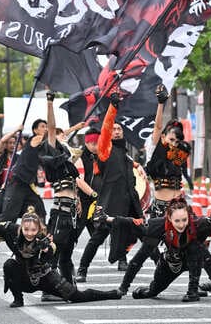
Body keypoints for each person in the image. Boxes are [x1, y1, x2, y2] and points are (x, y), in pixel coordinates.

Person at [119, 85, 211, 295]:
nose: (174, 142)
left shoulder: (178, 156)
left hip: (180, 207)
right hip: (161, 209)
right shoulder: (156, 151)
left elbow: (181, 155)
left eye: (177, 140)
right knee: (149, 248)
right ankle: (126, 285)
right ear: (164, 137)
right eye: (171, 138)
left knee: (198, 244)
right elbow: (156, 129)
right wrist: (161, 104)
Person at [96, 197, 211, 302]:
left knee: (197, 249)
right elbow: (133, 229)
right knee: (152, 292)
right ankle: (146, 290)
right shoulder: (158, 226)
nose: (181, 224)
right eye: (177, 221)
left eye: (184, 220)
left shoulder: (199, 224)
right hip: (171, 264)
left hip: (192, 259)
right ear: (169, 218)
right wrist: (123, 288)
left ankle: (193, 290)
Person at [0, 207, 121, 307]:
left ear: (38, 229)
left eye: (33, 230)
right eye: (26, 230)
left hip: (44, 278)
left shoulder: (44, 239)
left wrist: (46, 250)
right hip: (23, 279)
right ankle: (18, 299)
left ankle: (110, 293)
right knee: (9, 264)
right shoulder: (12, 231)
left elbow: (51, 257)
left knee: (77, 296)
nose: (29, 233)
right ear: (21, 228)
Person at [76, 90, 143, 282]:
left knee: (145, 236)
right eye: (113, 129)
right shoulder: (105, 149)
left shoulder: (125, 153)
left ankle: (159, 267)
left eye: (119, 129)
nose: (116, 131)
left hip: (129, 202)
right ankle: (82, 269)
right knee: (98, 237)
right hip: (110, 203)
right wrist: (113, 108)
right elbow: (105, 129)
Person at [40, 93, 93, 298]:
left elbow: (73, 183)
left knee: (67, 253)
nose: (63, 135)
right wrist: (50, 103)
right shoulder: (53, 152)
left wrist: (79, 198)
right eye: (60, 135)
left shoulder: (67, 159)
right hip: (61, 208)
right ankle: (48, 289)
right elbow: (52, 128)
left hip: (71, 208)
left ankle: (68, 288)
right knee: (54, 249)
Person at [0, 119, 48, 223]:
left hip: (27, 183)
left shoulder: (20, 153)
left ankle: (40, 232)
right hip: (15, 182)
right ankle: (0, 231)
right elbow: (3, 141)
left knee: (39, 209)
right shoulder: (36, 139)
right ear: (35, 130)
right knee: (9, 214)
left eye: (46, 126)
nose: (46, 129)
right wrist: (16, 130)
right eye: (43, 126)